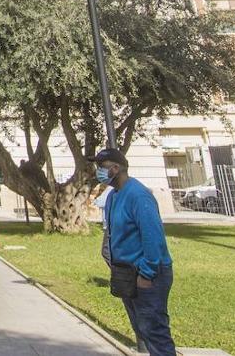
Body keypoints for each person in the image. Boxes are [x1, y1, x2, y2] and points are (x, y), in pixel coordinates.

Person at [91, 148, 176, 356]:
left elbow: (153, 238)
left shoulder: (138, 195)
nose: (98, 172)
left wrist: (146, 274)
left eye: (101, 168)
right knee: (142, 329)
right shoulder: (113, 196)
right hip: (126, 273)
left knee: (154, 331)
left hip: (147, 274)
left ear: (116, 168)